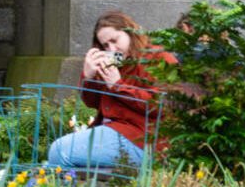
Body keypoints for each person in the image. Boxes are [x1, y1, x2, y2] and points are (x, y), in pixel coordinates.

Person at [46, 10, 176, 170]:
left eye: (115, 40)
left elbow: (162, 105)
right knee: (58, 161)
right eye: (105, 45)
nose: (112, 48)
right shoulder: (115, 62)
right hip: (115, 132)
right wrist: (89, 76)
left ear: (130, 32)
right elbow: (92, 102)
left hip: (143, 140)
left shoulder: (158, 58)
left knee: (60, 152)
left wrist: (118, 86)